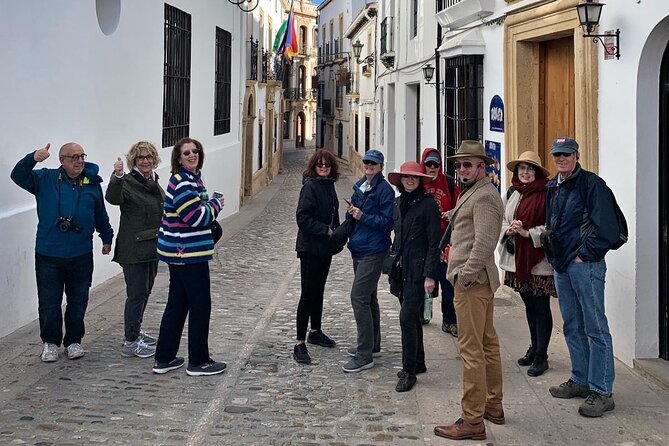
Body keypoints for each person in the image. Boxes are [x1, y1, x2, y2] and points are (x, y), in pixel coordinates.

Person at [11, 142, 114, 362]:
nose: (79, 161)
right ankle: (50, 343)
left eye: (82, 156)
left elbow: (100, 214)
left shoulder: (92, 183)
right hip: (49, 254)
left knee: (78, 300)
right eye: (73, 157)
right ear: (62, 161)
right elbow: (18, 175)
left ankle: (74, 341)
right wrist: (33, 158)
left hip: (81, 254)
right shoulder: (45, 179)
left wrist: (107, 238)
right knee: (49, 301)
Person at [544, 137, 620, 417]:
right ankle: (581, 379)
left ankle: (602, 391)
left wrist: (583, 255)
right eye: (557, 155)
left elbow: (608, 229)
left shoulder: (592, 184)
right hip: (563, 266)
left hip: (584, 266)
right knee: (572, 325)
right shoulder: (554, 186)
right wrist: (555, 258)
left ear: (576, 155)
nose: (561, 159)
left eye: (566, 154)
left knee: (596, 328)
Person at [434, 140, 504, 441]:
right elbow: (473, 226)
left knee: (471, 350)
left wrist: (464, 277)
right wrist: (455, 216)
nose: (462, 169)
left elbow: (485, 242)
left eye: (468, 164)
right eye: (459, 164)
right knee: (487, 343)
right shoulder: (473, 192)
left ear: (481, 166)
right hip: (477, 281)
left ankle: (472, 419)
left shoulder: (485, 196)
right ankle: (493, 406)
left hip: (473, 284)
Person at [152, 137, 226, 376]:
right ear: (178, 158)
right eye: (186, 153)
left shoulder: (191, 179)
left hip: (181, 252)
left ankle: (164, 357)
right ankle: (198, 361)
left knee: (177, 304)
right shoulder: (183, 182)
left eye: (195, 151)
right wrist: (215, 204)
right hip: (187, 254)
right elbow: (195, 217)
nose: (192, 155)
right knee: (200, 305)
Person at [105, 141, 165, 359]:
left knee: (145, 292)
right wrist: (117, 175)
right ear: (134, 161)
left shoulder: (153, 180)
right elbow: (113, 198)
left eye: (149, 157)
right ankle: (130, 342)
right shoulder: (128, 182)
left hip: (151, 247)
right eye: (140, 158)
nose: (146, 160)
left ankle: (136, 332)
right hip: (134, 250)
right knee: (136, 295)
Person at [498, 151, 555, 377]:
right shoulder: (512, 192)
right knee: (529, 306)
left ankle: (542, 355)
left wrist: (527, 232)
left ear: (538, 172)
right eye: (522, 168)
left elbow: (553, 225)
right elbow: (500, 218)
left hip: (538, 261)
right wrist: (509, 229)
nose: (525, 172)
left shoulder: (548, 193)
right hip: (517, 260)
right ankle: (534, 347)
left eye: (530, 169)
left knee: (541, 307)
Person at [387, 161, 441, 392]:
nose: (410, 181)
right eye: (406, 177)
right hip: (401, 270)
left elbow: (433, 242)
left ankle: (408, 371)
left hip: (419, 271)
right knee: (413, 319)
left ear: (420, 181)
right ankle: (418, 361)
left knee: (406, 318)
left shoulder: (428, 205)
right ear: (400, 180)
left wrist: (430, 275)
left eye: (414, 178)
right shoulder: (398, 203)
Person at [343, 149, 395, 373]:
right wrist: (351, 213)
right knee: (369, 297)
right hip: (359, 248)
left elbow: (387, 223)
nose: (369, 165)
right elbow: (353, 215)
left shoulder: (385, 191)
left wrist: (362, 216)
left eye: (373, 163)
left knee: (358, 298)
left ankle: (364, 355)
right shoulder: (360, 185)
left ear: (381, 166)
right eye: (366, 162)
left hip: (374, 251)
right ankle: (373, 346)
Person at [293, 149, 341, 364]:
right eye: (320, 164)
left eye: (327, 165)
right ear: (314, 166)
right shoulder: (310, 187)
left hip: (324, 249)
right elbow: (302, 217)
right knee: (307, 294)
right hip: (310, 248)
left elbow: (334, 213)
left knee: (318, 290)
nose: (324, 167)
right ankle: (299, 342)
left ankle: (316, 331)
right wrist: (325, 230)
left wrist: (339, 232)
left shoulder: (328, 186)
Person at [420, 148, 460, 335]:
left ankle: (449, 320)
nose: (432, 167)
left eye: (436, 164)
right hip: (424, 243)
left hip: (445, 243)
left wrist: (450, 214)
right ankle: (422, 314)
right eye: (429, 164)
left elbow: (462, 208)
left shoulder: (449, 184)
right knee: (423, 281)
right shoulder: (418, 183)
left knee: (448, 284)